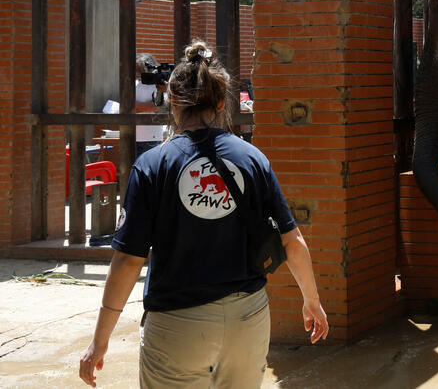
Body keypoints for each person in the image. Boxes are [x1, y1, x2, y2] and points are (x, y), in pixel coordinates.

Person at [80, 41, 328, 388]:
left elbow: (127, 261)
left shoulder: (152, 165)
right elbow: (293, 241)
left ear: (173, 101)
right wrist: (312, 301)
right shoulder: (253, 159)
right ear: (223, 102)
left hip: (177, 324)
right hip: (248, 319)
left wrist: (100, 340)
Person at [134, 54, 167, 159]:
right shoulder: (134, 84)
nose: (138, 72)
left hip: (153, 136)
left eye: (140, 69)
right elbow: (127, 106)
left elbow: (160, 107)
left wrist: (138, 108)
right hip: (133, 135)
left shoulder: (159, 84)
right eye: (137, 69)